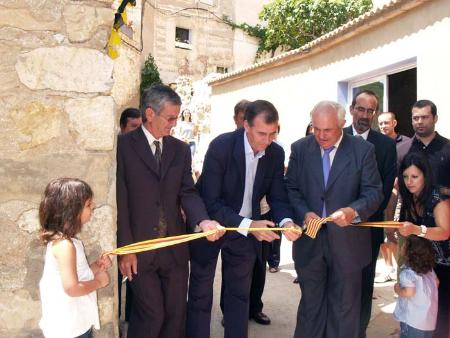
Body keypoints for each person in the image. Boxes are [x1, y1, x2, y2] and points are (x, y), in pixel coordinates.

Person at [187, 100, 300, 338]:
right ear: (246, 125)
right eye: (262, 134)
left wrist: (287, 222)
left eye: (273, 134)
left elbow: (278, 196)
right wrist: (249, 226)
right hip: (210, 224)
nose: (267, 141)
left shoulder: (276, 152)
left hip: (245, 230)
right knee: (201, 292)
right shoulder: (222, 146)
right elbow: (210, 200)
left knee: (239, 295)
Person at [116, 84, 222, 338]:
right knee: (151, 316)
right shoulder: (122, 147)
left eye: (177, 117)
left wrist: (203, 221)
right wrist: (126, 249)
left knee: (175, 317)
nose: (174, 124)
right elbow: (120, 200)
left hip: (174, 249)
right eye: (171, 118)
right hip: (140, 250)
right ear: (150, 114)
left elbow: (188, 192)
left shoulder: (180, 149)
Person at [286, 100, 383, 338]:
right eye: (316, 128)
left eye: (327, 129)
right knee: (311, 307)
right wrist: (303, 212)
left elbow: (374, 192)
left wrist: (352, 211)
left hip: (348, 243)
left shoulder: (362, 150)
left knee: (344, 310)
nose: (320, 135)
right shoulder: (300, 148)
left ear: (342, 123)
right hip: (310, 243)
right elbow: (291, 189)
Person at [344, 90, 397, 338]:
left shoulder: (385, 145)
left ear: (374, 113)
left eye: (370, 110)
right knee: (338, 280)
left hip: (369, 226)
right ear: (352, 108)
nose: (365, 115)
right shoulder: (337, 136)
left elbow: (385, 189)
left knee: (364, 283)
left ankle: (359, 331)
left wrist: (358, 216)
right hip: (336, 226)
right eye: (361, 109)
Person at [39, 178, 112, 338]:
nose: (92, 207)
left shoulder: (69, 242)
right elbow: (72, 288)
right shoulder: (65, 246)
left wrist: (96, 266)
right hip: (69, 329)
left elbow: (77, 273)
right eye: (88, 205)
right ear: (71, 210)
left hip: (75, 323)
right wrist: (99, 282)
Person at [397, 152, 450, 338]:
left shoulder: (438, 199)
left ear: (425, 176)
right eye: (405, 176)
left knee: (441, 320)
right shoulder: (409, 197)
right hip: (425, 265)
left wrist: (416, 230)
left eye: (414, 176)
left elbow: (444, 232)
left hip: (444, 266)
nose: (409, 181)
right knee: (422, 318)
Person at [377, 111, 411, 283]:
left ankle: (402, 274)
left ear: (394, 123)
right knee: (381, 231)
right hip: (380, 195)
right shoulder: (376, 142)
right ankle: (387, 268)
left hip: (399, 196)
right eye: (381, 123)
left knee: (394, 233)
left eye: (386, 123)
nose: (383, 126)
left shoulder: (407, 143)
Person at [398, 100, 450, 200]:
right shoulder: (401, 150)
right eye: (416, 118)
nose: (420, 122)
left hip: (443, 213)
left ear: (435, 118)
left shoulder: (447, 148)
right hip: (410, 213)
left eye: (425, 117)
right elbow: (395, 186)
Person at [393, 235, 438, 338]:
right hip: (428, 321)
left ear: (409, 253)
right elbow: (437, 282)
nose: (402, 246)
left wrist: (397, 289)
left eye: (404, 245)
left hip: (413, 320)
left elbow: (409, 292)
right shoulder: (429, 270)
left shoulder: (407, 274)